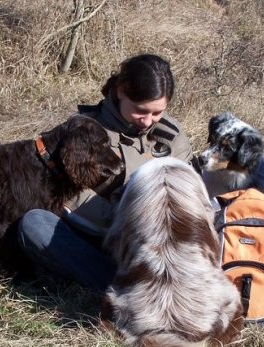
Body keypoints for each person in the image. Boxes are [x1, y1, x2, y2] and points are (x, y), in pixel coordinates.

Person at [17, 53, 195, 292]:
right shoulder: (84, 131)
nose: (147, 121)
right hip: (99, 236)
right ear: (120, 91)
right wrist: (122, 219)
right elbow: (66, 194)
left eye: (157, 112)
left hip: (162, 243)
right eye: (140, 110)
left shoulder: (171, 134)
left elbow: (191, 186)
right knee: (34, 224)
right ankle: (125, 288)